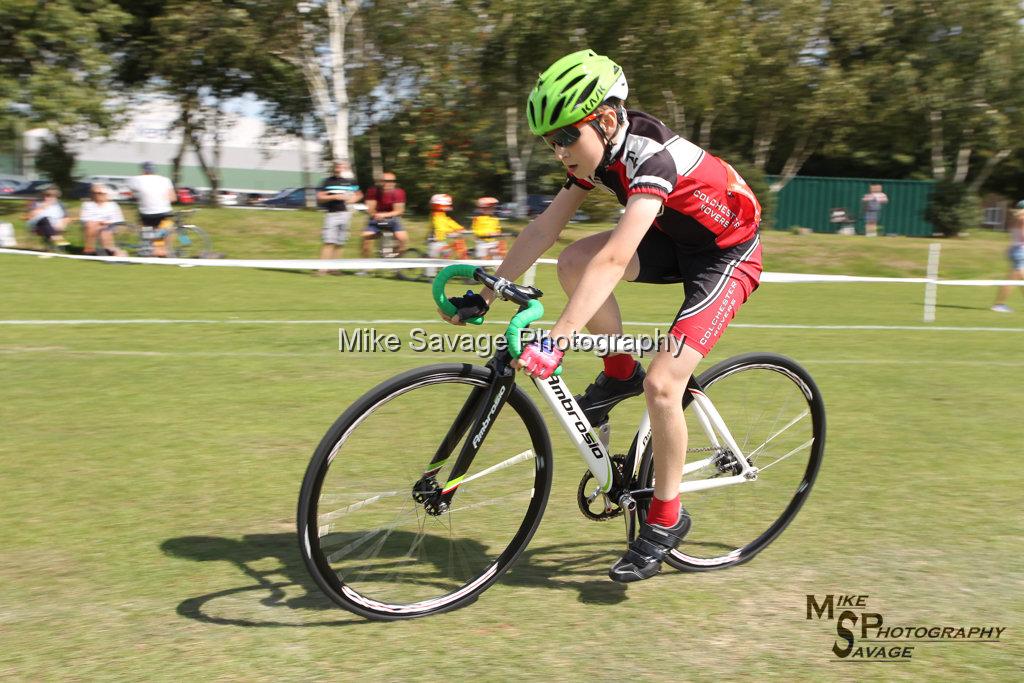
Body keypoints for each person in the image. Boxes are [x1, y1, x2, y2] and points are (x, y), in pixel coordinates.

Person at [437, 50, 763, 583]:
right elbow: (544, 230)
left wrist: (559, 339)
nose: (559, 150)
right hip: (672, 239)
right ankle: (618, 374)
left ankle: (665, 518)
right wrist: (488, 293)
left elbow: (614, 260)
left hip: (725, 255)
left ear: (606, 119)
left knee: (664, 384)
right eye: (550, 141)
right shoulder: (600, 155)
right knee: (571, 259)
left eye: (566, 136)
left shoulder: (650, 156)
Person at [315, 160, 363, 275]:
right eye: (338, 166)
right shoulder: (327, 181)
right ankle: (322, 269)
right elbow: (320, 197)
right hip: (332, 214)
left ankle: (335, 269)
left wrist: (353, 199)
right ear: (334, 168)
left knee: (340, 242)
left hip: (346, 214)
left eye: (342, 166)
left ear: (345, 168)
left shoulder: (350, 182)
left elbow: (359, 194)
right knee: (328, 242)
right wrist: (335, 196)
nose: (340, 168)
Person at [128, 161, 176, 256]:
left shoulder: (135, 179)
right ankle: (162, 249)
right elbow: (173, 198)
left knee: (147, 228)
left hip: (146, 214)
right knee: (167, 228)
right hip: (164, 212)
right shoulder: (165, 180)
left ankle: (151, 248)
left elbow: (132, 195)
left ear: (143, 171)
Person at [361, 171, 407, 258]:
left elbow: (399, 211)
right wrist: (376, 215)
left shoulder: (399, 192)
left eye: (391, 181)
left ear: (394, 183)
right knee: (366, 239)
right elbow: (370, 209)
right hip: (375, 218)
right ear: (380, 182)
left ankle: (398, 263)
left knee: (402, 239)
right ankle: (365, 267)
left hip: (393, 219)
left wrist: (384, 215)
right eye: (385, 181)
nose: (388, 183)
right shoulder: (372, 191)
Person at [991, 199, 1024, 313]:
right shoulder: (1023, 219)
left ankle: (999, 304)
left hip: (1015, 250)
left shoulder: (1015, 219)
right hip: (1020, 252)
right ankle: (999, 305)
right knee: (1012, 280)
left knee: (1019, 280)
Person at [80, 184, 127, 256]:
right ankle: (89, 250)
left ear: (106, 194)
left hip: (109, 227)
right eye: (95, 193)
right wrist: (99, 223)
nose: (97, 195)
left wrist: (104, 223)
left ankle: (111, 251)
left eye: (100, 193)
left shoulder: (113, 205)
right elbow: (85, 220)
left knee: (104, 231)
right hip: (93, 227)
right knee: (91, 225)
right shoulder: (87, 204)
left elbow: (118, 221)